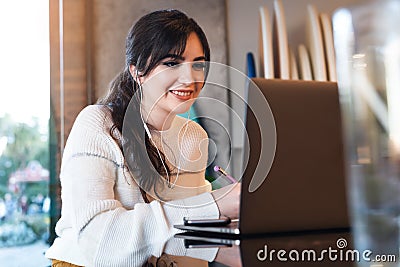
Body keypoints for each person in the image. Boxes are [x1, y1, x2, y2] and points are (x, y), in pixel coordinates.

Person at [45, 9, 240, 267]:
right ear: (137, 71)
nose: (190, 78)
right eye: (171, 63)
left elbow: (191, 227)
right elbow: (99, 240)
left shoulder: (194, 137)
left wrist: (222, 239)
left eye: (198, 64)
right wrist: (217, 207)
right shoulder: (97, 124)